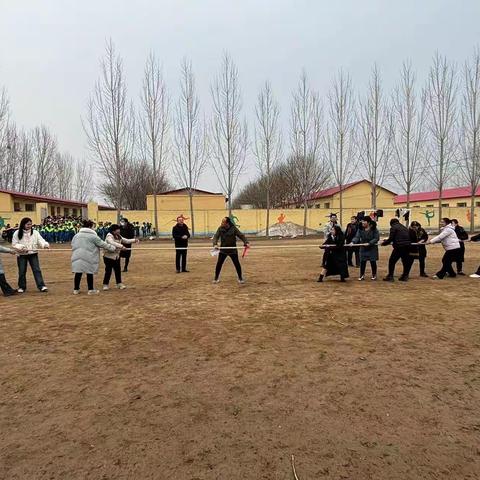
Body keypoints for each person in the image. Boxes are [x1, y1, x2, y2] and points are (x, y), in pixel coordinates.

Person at [71, 220, 117, 295]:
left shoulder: (76, 235)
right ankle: (91, 289)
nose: (94, 228)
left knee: (78, 272)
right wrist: (113, 248)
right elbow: (103, 244)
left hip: (77, 255)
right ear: (90, 227)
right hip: (89, 256)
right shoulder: (93, 236)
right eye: (93, 226)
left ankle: (76, 289)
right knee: (89, 272)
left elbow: (72, 244)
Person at [12, 217, 49, 293]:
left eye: (30, 224)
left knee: (37, 270)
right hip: (22, 255)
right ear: (23, 224)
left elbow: (40, 240)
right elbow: (14, 244)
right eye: (28, 224)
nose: (29, 226)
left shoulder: (35, 232)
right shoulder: (17, 233)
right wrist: (22, 247)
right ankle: (22, 287)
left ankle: (41, 286)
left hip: (33, 254)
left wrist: (45, 244)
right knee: (22, 271)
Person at [212, 217, 249, 284]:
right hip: (223, 250)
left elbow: (241, 235)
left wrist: (246, 242)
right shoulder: (220, 228)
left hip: (232, 250)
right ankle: (216, 278)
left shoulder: (233, 228)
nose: (221, 223)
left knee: (237, 264)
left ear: (227, 223)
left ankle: (240, 278)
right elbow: (216, 236)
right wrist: (215, 244)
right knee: (219, 264)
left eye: (223, 222)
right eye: (222, 221)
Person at [103, 224, 138, 290]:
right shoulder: (109, 236)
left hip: (116, 256)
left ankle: (119, 283)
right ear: (113, 230)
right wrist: (121, 246)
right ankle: (105, 284)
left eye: (119, 229)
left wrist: (134, 240)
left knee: (117, 270)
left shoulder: (118, 236)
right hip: (108, 256)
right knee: (108, 271)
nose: (119, 230)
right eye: (117, 229)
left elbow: (126, 240)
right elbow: (112, 243)